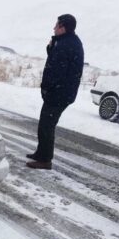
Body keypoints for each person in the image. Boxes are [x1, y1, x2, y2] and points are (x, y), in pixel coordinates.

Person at [26, 14, 84, 170]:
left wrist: (46, 86)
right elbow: (55, 59)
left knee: (46, 126)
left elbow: (57, 70)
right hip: (59, 92)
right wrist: (51, 47)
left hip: (59, 94)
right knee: (44, 124)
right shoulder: (66, 42)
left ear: (62, 27)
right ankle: (41, 153)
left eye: (56, 25)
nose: (53, 27)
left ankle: (45, 160)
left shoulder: (67, 44)